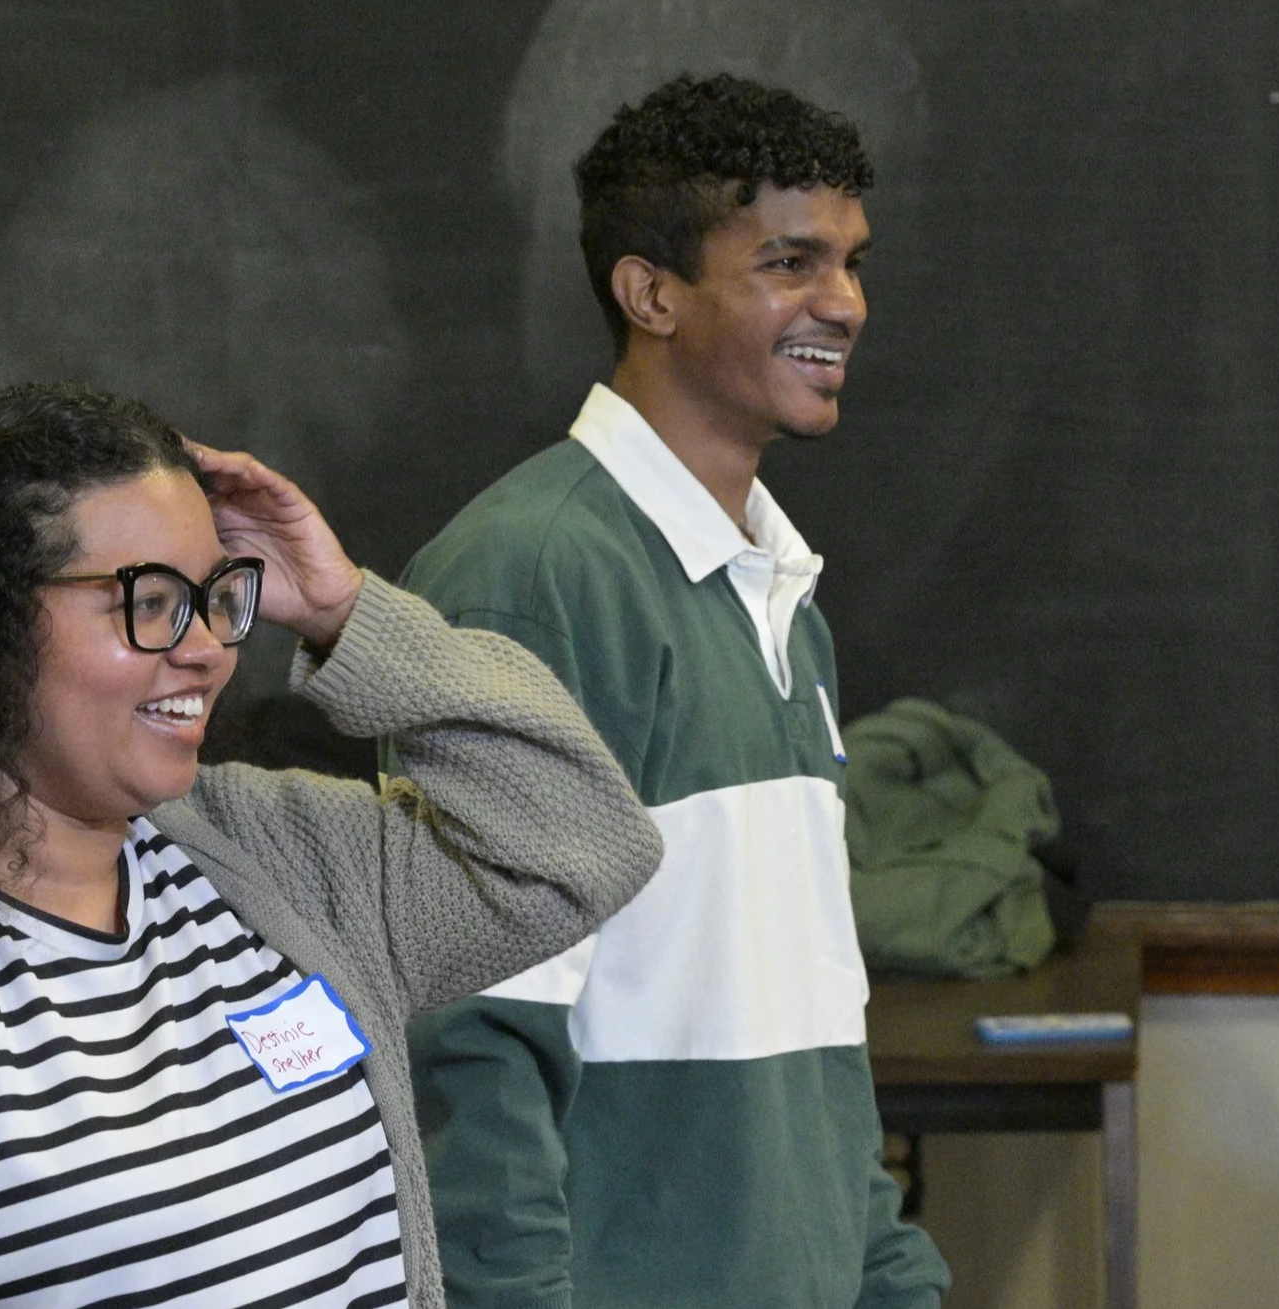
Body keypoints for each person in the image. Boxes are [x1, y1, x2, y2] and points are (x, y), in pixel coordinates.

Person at [0, 382, 663, 1309]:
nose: (209, 648)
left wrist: (341, 607)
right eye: (152, 601)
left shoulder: (273, 859)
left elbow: (583, 837)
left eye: (219, 597)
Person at [394, 75, 950, 1308]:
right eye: (789, 263)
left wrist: (889, 1282)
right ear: (649, 293)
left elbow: (813, 1042)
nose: (843, 304)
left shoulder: (776, 593)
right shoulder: (532, 579)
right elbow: (471, 1042)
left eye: (852, 262)